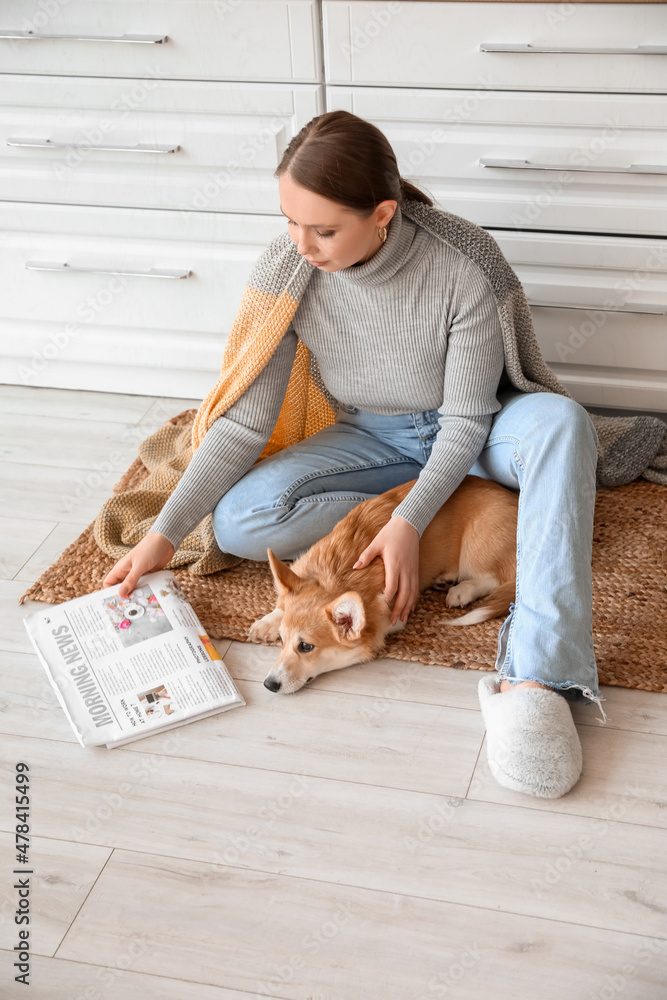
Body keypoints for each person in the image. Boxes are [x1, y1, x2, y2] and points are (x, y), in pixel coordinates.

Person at [103, 110, 604, 798]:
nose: (301, 245)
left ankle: (535, 676)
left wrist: (408, 522)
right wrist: (164, 534)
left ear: (383, 214)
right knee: (239, 521)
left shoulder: (462, 263)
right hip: (378, 437)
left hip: (481, 428)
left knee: (563, 426)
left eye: (325, 230)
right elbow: (244, 426)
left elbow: (464, 419)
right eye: (289, 221)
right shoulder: (288, 269)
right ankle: (481, 518)